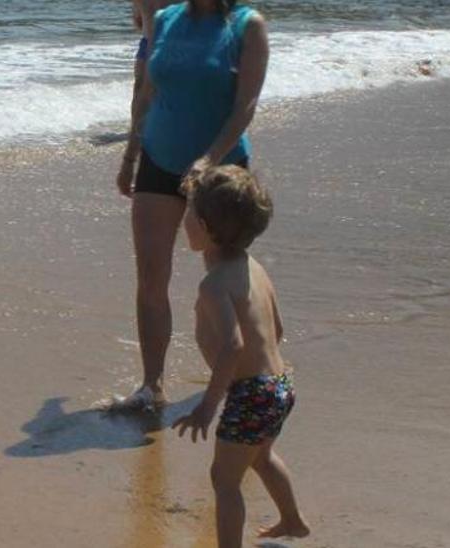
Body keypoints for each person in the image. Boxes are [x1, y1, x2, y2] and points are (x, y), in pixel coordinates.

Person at [113, 0, 270, 410]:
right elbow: (146, 93)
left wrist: (210, 158)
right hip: (159, 159)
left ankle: (251, 374)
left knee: (226, 276)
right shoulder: (164, 19)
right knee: (150, 275)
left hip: (220, 169)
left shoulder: (246, 25)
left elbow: (245, 105)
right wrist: (131, 155)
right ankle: (152, 386)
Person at [173, 166, 309, 547]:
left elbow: (234, 347)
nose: (182, 219)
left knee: (224, 479)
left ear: (201, 225)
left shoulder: (214, 285)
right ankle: (293, 521)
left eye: (187, 213)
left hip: (251, 393)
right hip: (280, 383)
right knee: (261, 457)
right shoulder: (254, 267)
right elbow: (277, 329)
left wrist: (207, 404)